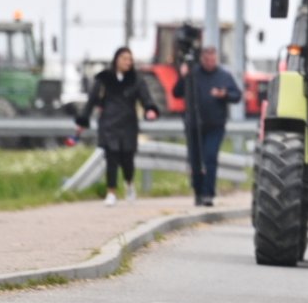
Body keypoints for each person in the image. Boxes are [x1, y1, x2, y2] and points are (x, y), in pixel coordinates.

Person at [76, 46, 160, 206]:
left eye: (130, 59)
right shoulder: (104, 79)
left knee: (127, 159)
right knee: (111, 158)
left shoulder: (136, 79)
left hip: (128, 124)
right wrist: (82, 122)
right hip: (109, 123)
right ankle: (111, 192)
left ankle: (129, 184)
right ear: (116, 60)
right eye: (124, 59)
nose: (128, 62)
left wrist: (150, 110)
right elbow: (91, 102)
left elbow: (146, 98)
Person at [170, 45, 242, 207]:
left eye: (213, 59)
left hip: (215, 124)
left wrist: (224, 95)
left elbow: (237, 95)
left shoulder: (224, 76)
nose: (210, 62)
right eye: (207, 59)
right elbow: (176, 93)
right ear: (202, 59)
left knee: (210, 157)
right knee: (195, 159)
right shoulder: (193, 74)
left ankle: (209, 193)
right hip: (194, 125)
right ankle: (198, 192)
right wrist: (182, 77)